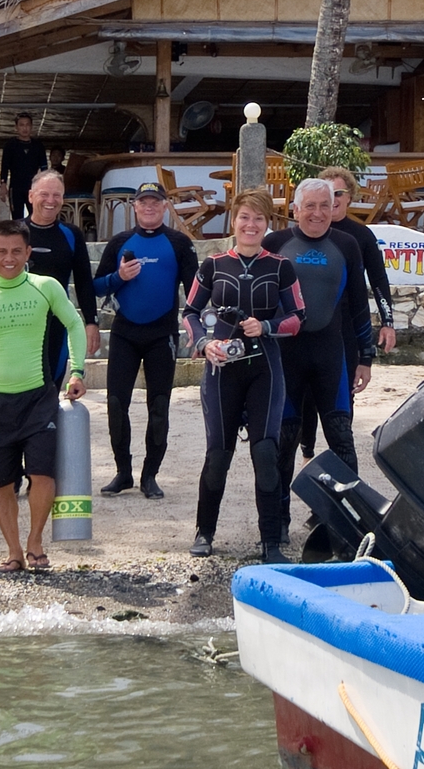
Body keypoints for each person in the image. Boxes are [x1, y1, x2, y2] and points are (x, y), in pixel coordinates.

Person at [0, 220, 89, 573]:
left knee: (42, 475)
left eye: (17, 252)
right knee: (2, 481)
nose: (9, 259)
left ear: (27, 254)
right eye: (2, 251)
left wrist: (78, 371)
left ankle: (35, 540)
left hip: (39, 398)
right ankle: (13, 552)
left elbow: (74, 323)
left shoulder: (45, 287)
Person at [184, 191, 306, 564]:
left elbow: (299, 316)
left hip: (265, 369)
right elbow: (190, 312)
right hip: (222, 370)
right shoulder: (214, 264)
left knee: (265, 452)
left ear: (268, 224)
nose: (251, 225)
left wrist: (266, 326)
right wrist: (205, 343)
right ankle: (204, 532)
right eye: (244, 218)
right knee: (218, 454)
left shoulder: (281, 266)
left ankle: (270, 541)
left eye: (259, 219)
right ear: (233, 221)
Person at [92, 180, 197, 499]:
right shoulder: (120, 242)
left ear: (164, 207)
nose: (149, 207)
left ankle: (150, 475)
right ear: (135, 207)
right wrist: (118, 278)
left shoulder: (179, 242)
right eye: (143, 202)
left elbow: (195, 290)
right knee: (115, 403)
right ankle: (123, 472)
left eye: (155, 202)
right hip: (125, 332)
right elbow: (96, 287)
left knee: (159, 407)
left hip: (161, 334)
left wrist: (197, 329)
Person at [263, 178, 375, 475]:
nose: (318, 212)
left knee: (341, 440)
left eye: (325, 205)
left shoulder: (346, 245)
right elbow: (255, 304)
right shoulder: (275, 244)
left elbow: (360, 306)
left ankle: (340, 516)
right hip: (286, 356)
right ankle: (279, 518)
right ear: (295, 209)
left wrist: (366, 359)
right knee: (284, 441)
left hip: (330, 354)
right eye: (310, 206)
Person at [295, 166, 398, 459]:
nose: (331, 200)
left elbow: (378, 281)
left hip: (346, 330)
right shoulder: (300, 234)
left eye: (337, 193)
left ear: (348, 197)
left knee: (341, 400)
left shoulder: (359, 237)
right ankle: (307, 451)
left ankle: (338, 457)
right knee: (304, 398)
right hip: (307, 330)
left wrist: (387, 323)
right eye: (326, 194)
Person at [24, 169, 100, 378]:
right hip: (18, 323)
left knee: (51, 389)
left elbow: (84, 281)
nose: (51, 200)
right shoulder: (14, 232)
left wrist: (91, 321)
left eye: (57, 195)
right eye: (44, 194)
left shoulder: (71, 235)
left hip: (57, 323)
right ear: (31, 196)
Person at [0, 112, 48, 220]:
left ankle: (34, 237)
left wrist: (45, 186)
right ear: (16, 127)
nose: (25, 128)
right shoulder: (10, 145)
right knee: (17, 219)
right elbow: (4, 167)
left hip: (33, 188)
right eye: (21, 125)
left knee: (35, 216)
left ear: (31, 127)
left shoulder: (38, 146)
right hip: (15, 188)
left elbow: (44, 168)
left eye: (27, 125)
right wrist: (3, 185)